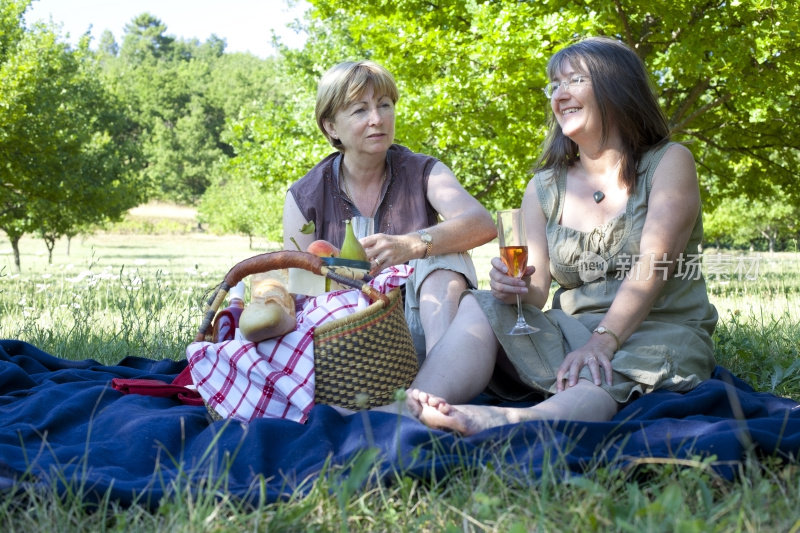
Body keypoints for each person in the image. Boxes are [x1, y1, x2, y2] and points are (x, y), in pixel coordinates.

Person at [393, 36, 719, 435]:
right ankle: (412, 407)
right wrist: (511, 288)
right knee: (479, 305)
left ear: (616, 86)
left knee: (599, 374)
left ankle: (514, 422)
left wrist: (603, 340)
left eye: (573, 81)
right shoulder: (544, 187)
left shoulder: (669, 162)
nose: (559, 95)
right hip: (570, 330)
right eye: (554, 86)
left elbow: (655, 264)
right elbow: (536, 291)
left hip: (656, 329)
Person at [284, 60, 496, 360]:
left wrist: (410, 245)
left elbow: (482, 223)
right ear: (331, 126)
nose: (377, 119)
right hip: (343, 341)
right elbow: (300, 291)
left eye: (384, 105)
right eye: (360, 110)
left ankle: (440, 381)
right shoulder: (304, 195)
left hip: (421, 329)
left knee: (443, 253)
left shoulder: (423, 171)